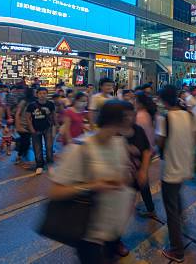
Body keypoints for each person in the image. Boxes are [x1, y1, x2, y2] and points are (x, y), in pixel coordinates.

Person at [49, 100, 134, 263]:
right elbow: (55, 192)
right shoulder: (81, 147)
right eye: (129, 117)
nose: (133, 120)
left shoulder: (120, 143)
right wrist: (93, 186)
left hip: (112, 228)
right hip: (88, 231)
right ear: (116, 119)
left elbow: (123, 179)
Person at [155, 85, 196, 262]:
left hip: (171, 169)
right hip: (185, 166)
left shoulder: (165, 118)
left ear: (163, 100)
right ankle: (181, 227)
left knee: (171, 209)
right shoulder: (189, 115)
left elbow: (160, 143)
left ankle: (177, 250)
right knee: (176, 200)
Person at [124, 101, 155, 219]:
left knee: (144, 189)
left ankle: (150, 209)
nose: (129, 117)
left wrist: (143, 170)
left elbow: (146, 150)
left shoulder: (138, 129)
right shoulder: (116, 132)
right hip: (124, 175)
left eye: (131, 114)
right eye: (125, 115)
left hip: (138, 169)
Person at [26, 87, 56, 174]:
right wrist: (31, 128)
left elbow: (53, 115)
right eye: (40, 93)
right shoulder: (31, 105)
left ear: (47, 94)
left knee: (49, 146)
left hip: (47, 128)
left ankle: (50, 163)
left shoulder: (50, 104)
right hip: (35, 128)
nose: (42, 95)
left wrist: (55, 125)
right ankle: (39, 165)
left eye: (44, 93)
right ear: (37, 94)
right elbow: (28, 117)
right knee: (37, 147)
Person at [14, 88, 36, 164]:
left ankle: (22, 155)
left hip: (31, 125)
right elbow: (17, 113)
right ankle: (19, 156)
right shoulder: (24, 102)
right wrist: (18, 125)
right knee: (26, 141)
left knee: (26, 141)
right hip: (23, 125)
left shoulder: (35, 102)